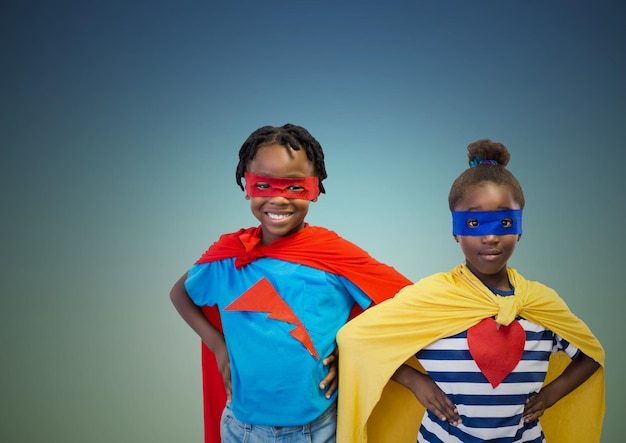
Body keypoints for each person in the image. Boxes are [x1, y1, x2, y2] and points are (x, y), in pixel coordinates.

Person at [336, 139, 605, 443]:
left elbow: (591, 354)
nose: (490, 237)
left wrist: (549, 396)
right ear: (456, 231)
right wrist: (415, 381)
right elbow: (358, 340)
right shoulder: (432, 299)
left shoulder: (539, 303)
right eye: (474, 222)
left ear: (520, 229)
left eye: (504, 221)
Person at [170, 123, 412, 443]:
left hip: (317, 428)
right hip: (240, 427)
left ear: (314, 188)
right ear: (247, 185)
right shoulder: (228, 257)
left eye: (295, 187)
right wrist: (217, 344)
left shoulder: (332, 254)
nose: (279, 200)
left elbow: (402, 304)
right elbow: (180, 294)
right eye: (265, 185)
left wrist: (352, 353)